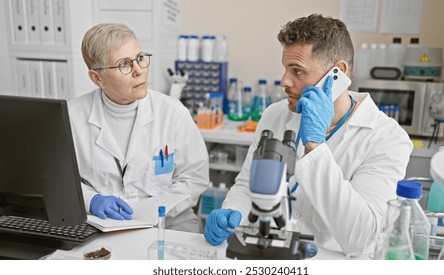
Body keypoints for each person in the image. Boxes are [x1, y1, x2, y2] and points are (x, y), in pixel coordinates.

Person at [204, 14, 413, 254]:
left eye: (298, 71)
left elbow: (361, 238)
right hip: (274, 255)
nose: (284, 81)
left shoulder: (387, 138)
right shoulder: (275, 114)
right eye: (285, 68)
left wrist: (315, 145)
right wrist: (233, 215)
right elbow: (247, 185)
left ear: (338, 74)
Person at [68, 23, 209, 233]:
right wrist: (92, 200)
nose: (139, 71)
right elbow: (59, 181)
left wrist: (154, 211)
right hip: (101, 226)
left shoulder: (172, 112)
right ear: (97, 78)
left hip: (170, 224)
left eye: (140, 58)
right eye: (124, 64)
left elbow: (194, 177)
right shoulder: (71, 116)